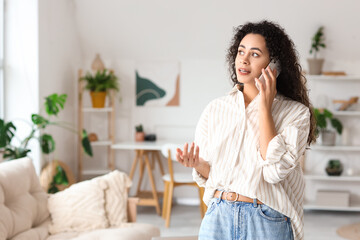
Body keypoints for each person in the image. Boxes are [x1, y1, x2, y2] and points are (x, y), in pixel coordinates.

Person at [175, 20, 316, 240]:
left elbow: (274, 171)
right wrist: (198, 164)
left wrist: (264, 108)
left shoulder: (295, 113)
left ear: (275, 65)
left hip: (266, 219)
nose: (244, 59)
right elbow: (214, 175)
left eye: (255, 54)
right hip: (218, 216)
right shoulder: (216, 109)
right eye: (241, 51)